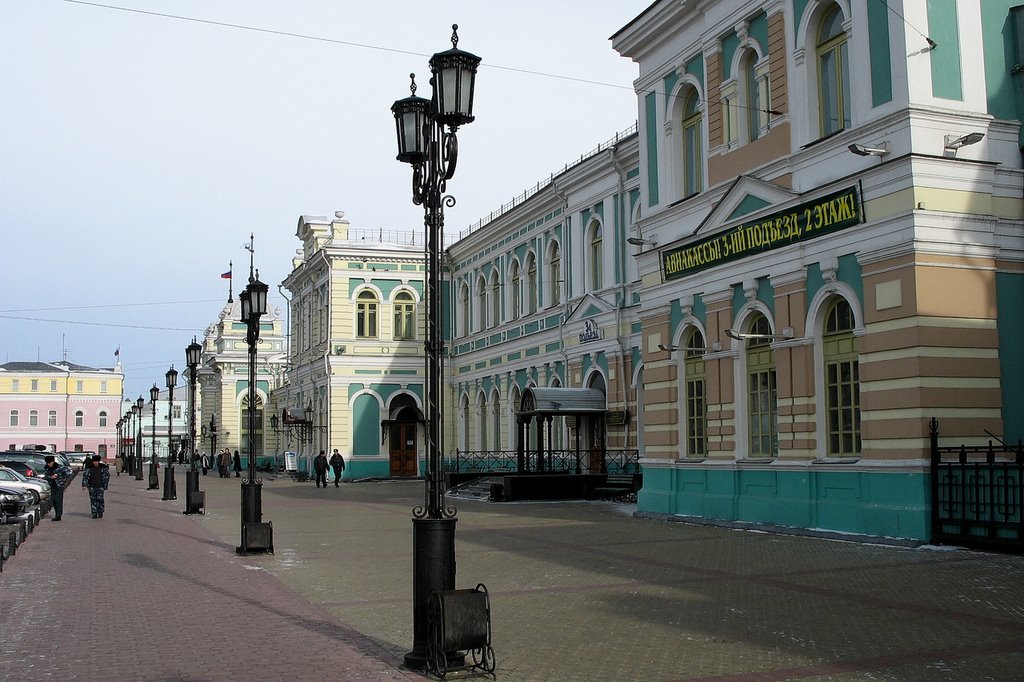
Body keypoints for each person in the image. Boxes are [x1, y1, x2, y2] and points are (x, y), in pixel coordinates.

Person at [42, 454, 72, 521]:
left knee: (58, 499)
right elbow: (45, 476)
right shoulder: (47, 468)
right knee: (54, 501)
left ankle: (58, 515)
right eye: (47, 463)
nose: (49, 464)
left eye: (49, 463)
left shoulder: (60, 467)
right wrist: (51, 477)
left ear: (52, 462)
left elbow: (68, 472)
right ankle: (57, 514)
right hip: (52, 485)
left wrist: (62, 479)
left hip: (59, 485)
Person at [81, 454, 110, 519]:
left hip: (100, 486)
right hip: (91, 486)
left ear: (99, 461)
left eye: (97, 461)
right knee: (93, 499)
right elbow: (85, 476)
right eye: (94, 461)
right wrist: (84, 485)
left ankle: (100, 511)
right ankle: (94, 512)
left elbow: (107, 476)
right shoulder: (89, 468)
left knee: (100, 499)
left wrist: (105, 484)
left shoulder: (103, 468)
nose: (95, 463)